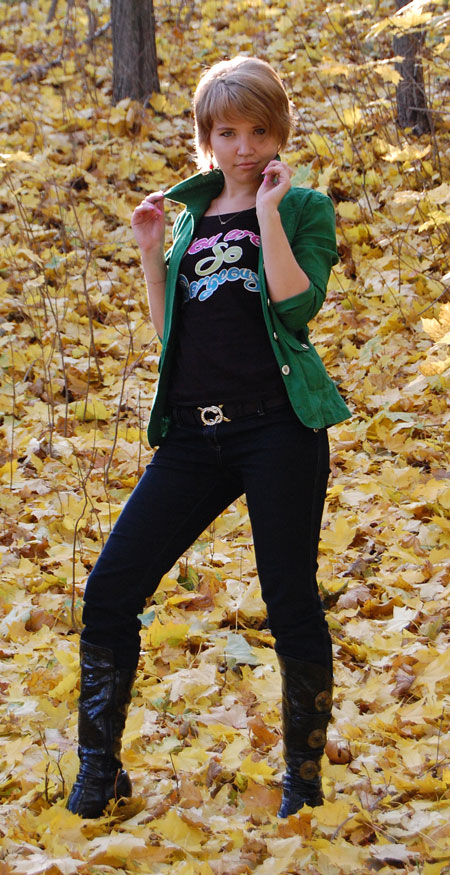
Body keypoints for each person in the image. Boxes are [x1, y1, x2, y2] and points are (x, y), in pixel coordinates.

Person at [66, 56, 351, 820]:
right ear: (207, 137)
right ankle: (99, 770)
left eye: (258, 130)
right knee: (110, 589)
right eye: (228, 132)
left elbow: (295, 308)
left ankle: (302, 781)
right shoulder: (189, 214)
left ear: (279, 132)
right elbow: (172, 338)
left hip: (278, 428)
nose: (244, 147)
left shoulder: (304, 207)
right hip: (194, 437)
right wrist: (150, 253)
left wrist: (267, 214)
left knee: (290, 600)